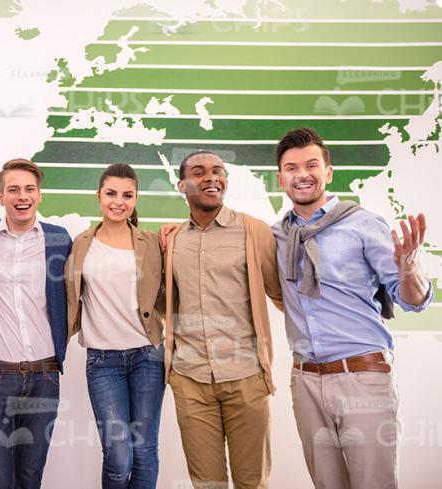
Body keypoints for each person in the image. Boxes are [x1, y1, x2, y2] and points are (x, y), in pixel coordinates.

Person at [272, 127, 432, 489]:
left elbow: (413, 299)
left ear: (328, 172)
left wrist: (410, 270)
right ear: (281, 178)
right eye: (292, 167)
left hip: (363, 378)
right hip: (306, 382)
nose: (302, 174)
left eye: (312, 165)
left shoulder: (363, 224)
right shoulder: (278, 235)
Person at [159, 150, 283, 488]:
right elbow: (164, 303)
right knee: (206, 483)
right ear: (182, 184)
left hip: (246, 377)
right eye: (199, 172)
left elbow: (281, 295)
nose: (211, 177)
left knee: (252, 482)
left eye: (218, 171)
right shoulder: (171, 240)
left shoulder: (253, 231)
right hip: (191, 379)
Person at [0, 158, 72, 489]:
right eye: (13, 189)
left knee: (29, 479)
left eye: (29, 189)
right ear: (0, 196)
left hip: (44, 377)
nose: (22, 196)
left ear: (39, 194)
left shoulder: (58, 239)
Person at [64, 163, 165, 488]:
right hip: (102, 361)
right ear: (98, 196)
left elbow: (168, 291)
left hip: (147, 358)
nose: (118, 201)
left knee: (145, 451)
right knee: (119, 456)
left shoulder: (151, 243)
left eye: (127, 195)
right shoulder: (81, 244)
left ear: (135, 199)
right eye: (111, 193)